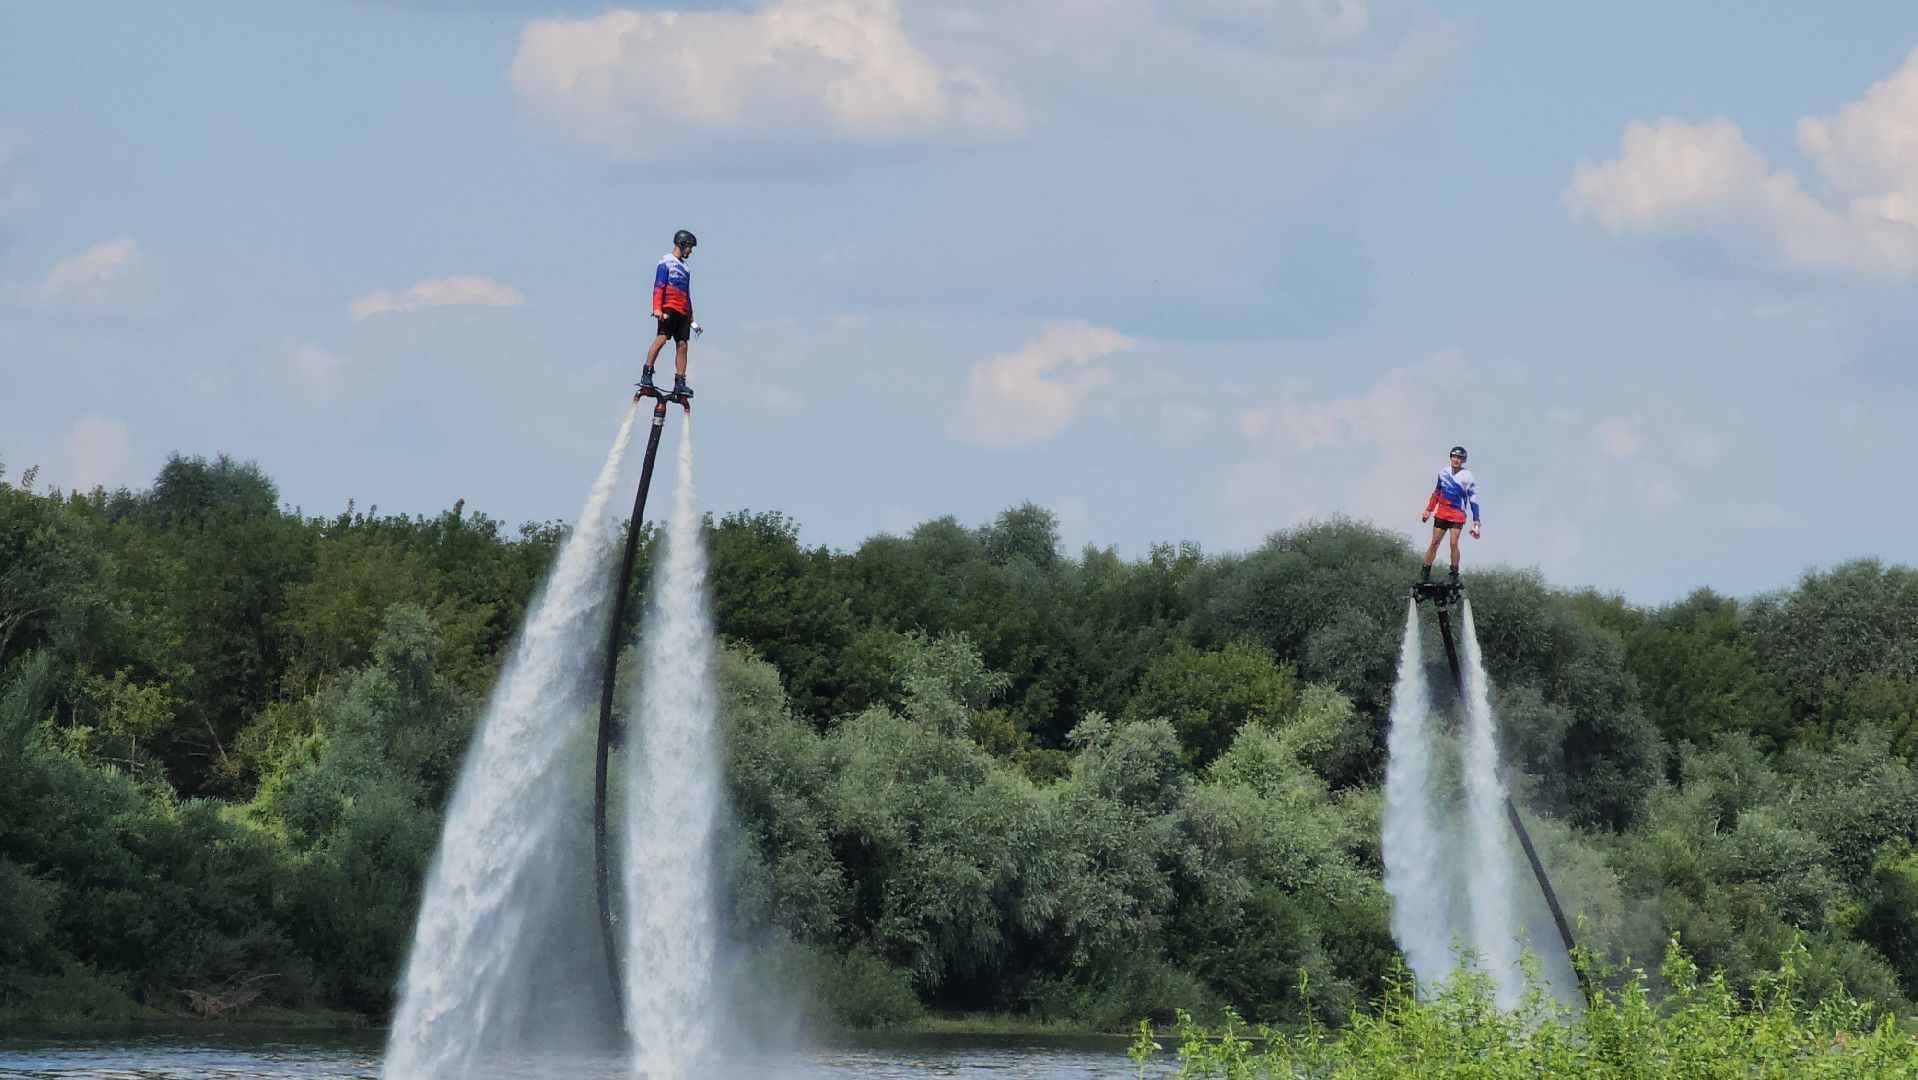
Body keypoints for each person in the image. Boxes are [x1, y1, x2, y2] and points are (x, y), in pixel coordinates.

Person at [640, 229, 699, 398]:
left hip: (683, 310)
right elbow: (658, 286)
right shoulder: (666, 261)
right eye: (689, 247)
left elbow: (687, 293)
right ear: (682, 244)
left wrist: (691, 315)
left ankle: (680, 382)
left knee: (683, 345)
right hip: (669, 307)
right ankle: (647, 372)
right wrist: (657, 308)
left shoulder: (686, 268)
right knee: (662, 338)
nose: (691, 250)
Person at [1419, 445, 1480, 583]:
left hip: (1457, 513)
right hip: (1442, 512)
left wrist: (1476, 519)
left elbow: (1473, 499)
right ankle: (1425, 572)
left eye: (1459, 458)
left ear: (1463, 460)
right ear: (1451, 457)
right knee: (1434, 542)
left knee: (1453, 543)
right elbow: (1437, 492)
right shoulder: (1443, 473)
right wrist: (1428, 509)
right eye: (1454, 457)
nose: (1456, 460)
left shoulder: (1467, 477)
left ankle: (1454, 573)